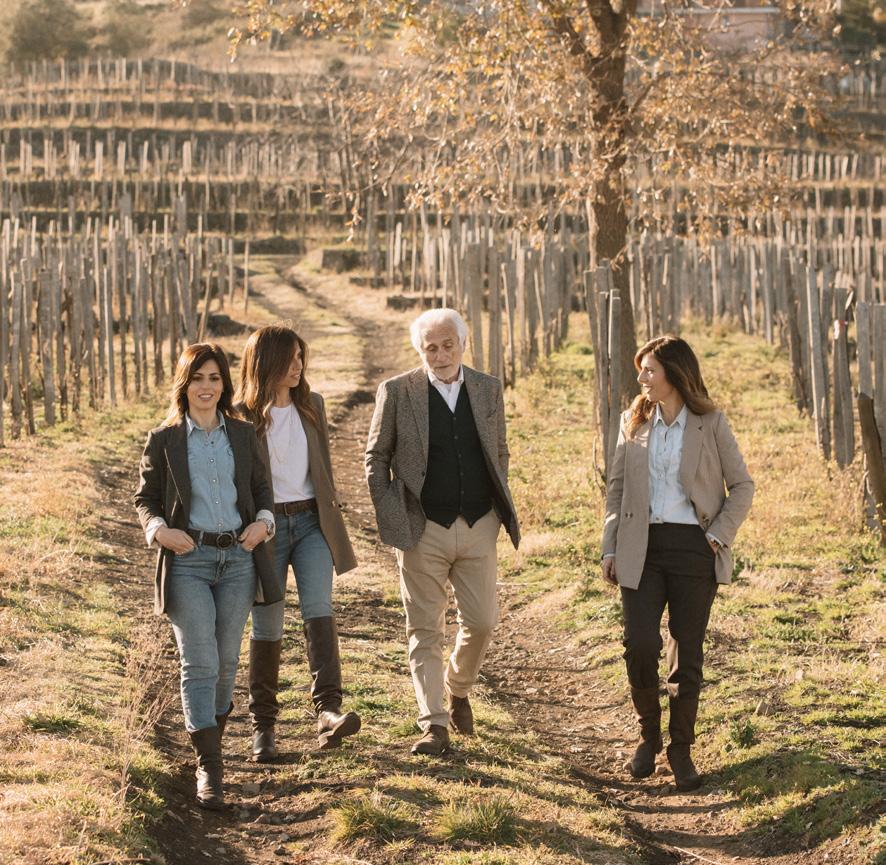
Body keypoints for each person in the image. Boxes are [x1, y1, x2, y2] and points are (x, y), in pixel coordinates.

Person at [601, 335, 754, 792]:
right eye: (641, 369)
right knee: (640, 644)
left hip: (694, 548)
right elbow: (616, 489)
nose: (642, 378)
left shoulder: (710, 422)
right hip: (640, 547)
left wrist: (717, 536)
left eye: (650, 369)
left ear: (675, 373)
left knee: (686, 651)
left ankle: (681, 749)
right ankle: (648, 736)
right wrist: (609, 547)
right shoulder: (632, 422)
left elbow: (742, 486)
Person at [365, 308, 520, 756]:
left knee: (483, 621)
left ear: (463, 344)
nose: (440, 355)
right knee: (425, 628)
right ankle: (433, 723)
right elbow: (376, 457)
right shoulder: (398, 391)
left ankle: (458, 687)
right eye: (430, 347)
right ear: (420, 350)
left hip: (478, 524)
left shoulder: (488, 388)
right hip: (422, 526)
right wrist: (392, 510)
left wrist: (494, 511)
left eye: (448, 345)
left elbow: (499, 450)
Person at [134, 343, 278, 810]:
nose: (206, 387)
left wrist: (264, 523)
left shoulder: (243, 433)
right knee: (199, 662)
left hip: (238, 559)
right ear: (184, 383)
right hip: (188, 561)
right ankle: (209, 768)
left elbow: (262, 490)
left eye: (215, 378)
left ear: (224, 385)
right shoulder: (165, 439)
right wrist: (160, 531)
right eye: (197, 378)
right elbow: (145, 499)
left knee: (225, 664)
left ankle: (209, 741)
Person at [236, 325, 360, 759]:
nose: (298, 366)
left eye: (300, 357)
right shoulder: (241, 416)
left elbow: (322, 467)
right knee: (267, 625)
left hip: (311, 523)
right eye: (289, 359)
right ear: (264, 362)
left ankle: (328, 711)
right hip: (265, 529)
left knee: (319, 610)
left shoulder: (313, 405)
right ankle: (263, 726)